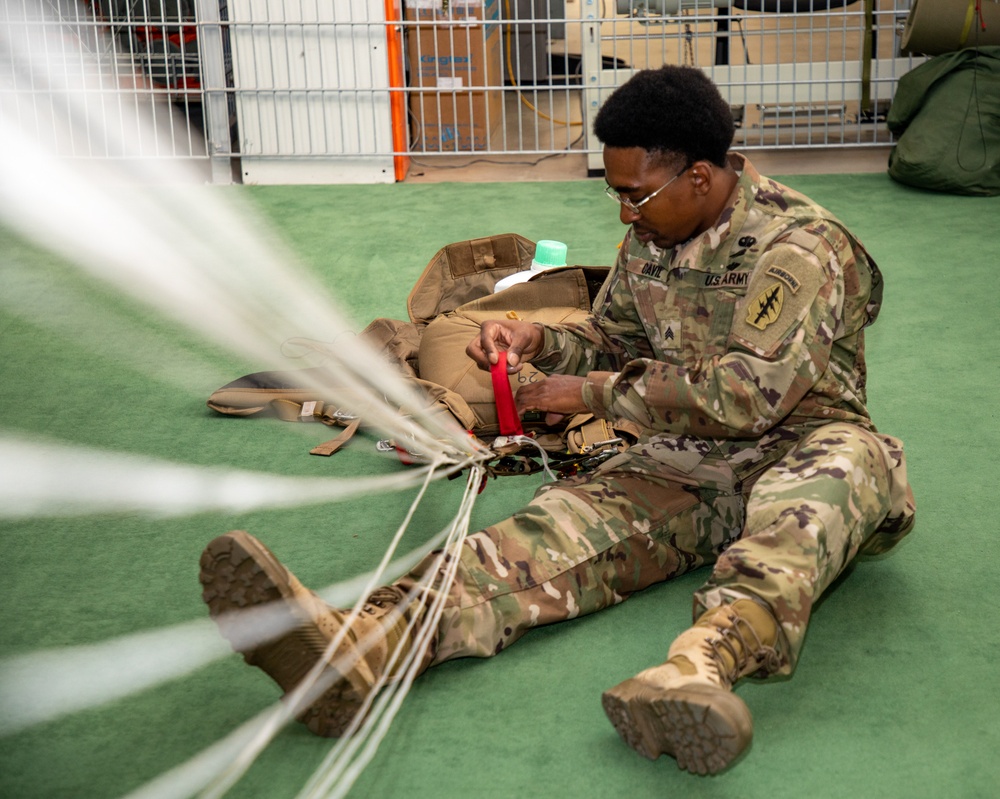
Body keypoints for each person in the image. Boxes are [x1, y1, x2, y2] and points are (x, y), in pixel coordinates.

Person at [198, 65, 916, 775]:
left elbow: (747, 396)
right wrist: (540, 341)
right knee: (542, 537)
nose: (625, 215)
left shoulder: (799, 247)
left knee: (816, 498)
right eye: (616, 193)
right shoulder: (652, 241)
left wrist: (591, 395)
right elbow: (615, 343)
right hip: (686, 456)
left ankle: (697, 668)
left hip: (808, 444)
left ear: (699, 176)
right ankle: (367, 643)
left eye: (637, 194)